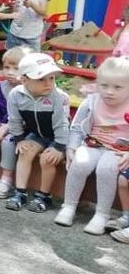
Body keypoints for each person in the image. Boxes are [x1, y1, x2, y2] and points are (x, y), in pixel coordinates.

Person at [54, 57, 129, 233]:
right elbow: (77, 127)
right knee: (79, 163)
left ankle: (101, 214)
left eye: (117, 87)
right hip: (92, 144)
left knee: (106, 169)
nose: (109, 92)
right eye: (104, 86)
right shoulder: (92, 101)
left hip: (118, 150)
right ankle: (69, 206)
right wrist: (72, 147)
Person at [4, 52, 70, 213]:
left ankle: (44, 196)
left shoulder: (59, 97)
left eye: (51, 78)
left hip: (58, 138)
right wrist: (19, 138)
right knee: (25, 152)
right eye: (41, 79)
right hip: (37, 135)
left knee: (47, 159)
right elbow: (14, 119)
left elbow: (62, 124)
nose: (48, 83)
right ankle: (20, 192)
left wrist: (59, 147)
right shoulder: (16, 95)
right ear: (24, 80)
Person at [0, 46, 32, 195]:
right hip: (1, 123)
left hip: (23, 129)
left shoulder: (29, 91)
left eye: (16, 69)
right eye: (6, 67)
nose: (10, 72)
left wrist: (6, 128)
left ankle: (6, 179)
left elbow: (24, 116)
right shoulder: (1, 87)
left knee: (8, 141)